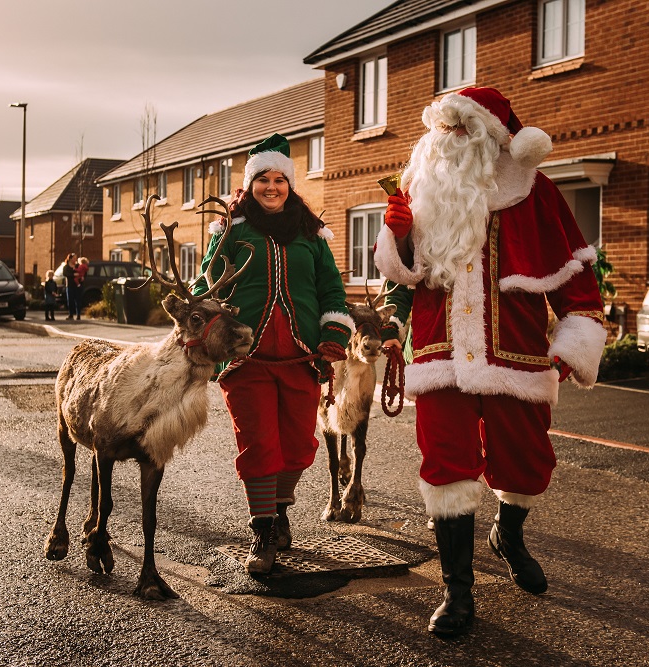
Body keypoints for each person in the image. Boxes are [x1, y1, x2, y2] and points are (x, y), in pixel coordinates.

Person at [374, 87, 606, 637]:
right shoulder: (418, 190)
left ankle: (509, 530)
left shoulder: (538, 193)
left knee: (526, 463)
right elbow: (400, 278)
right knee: (446, 466)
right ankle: (457, 591)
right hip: (440, 356)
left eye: (462, 128)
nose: (449, 140)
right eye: (444, 128)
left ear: (493, 138)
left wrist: (574, 341)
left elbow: (577, 278)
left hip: (518, 355)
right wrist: (399, 247)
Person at [192, 133, 352, 576]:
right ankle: (262, 529)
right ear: (250, 183)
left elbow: (330, 288)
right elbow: (205, 285)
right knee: (259, 443)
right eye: (263, 178)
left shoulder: (311, 234)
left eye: (280, 179)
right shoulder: (231, 229)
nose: (272, 187)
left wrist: (333, 335)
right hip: (247, 360)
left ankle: (280, 508)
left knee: (300, 447)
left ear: (290, 184)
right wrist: (209, 330)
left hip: (303, 358)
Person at [61, 253, 79, 320]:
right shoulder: (66, 267)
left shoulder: (77, 266)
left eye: (76, 258)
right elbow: (65, 274)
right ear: (70, 259)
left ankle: (78, 315)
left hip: (77, 285)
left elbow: (81, 272)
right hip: (69, 285)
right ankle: (71, 314)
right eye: (74, 258)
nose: (75, 259)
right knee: (70, 300)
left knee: (77, 300)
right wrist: (73, 274)